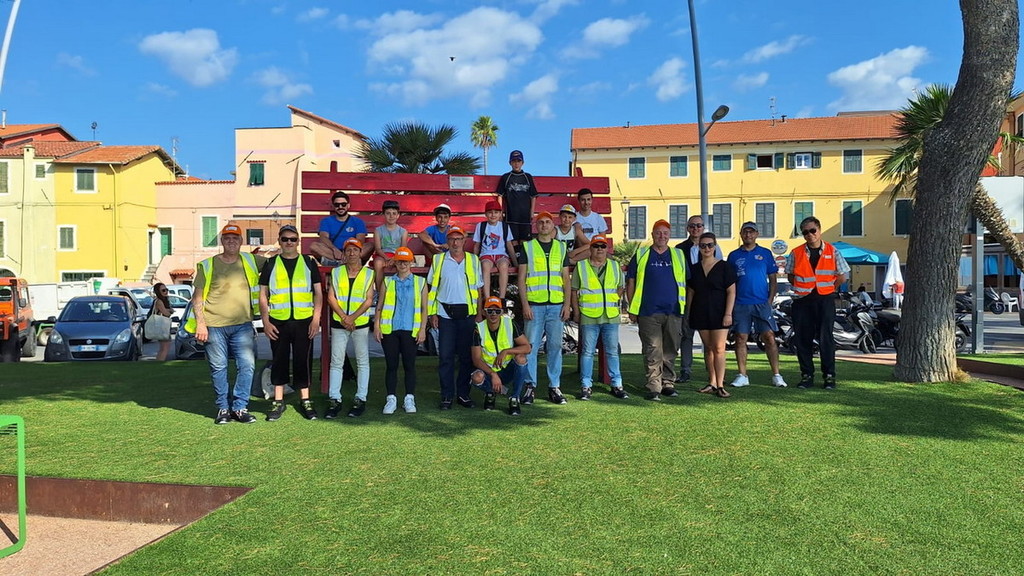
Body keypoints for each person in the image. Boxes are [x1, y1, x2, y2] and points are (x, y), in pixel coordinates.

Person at [189, 223, 266, 424]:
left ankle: (240, 408)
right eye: (227, 238)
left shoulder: (251, 260)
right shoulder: (208, 265)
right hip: (214, 326)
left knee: (247, 365)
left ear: (241, 241)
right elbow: (197, 298)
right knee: (218, 368)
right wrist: (200, 324)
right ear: (222, 241)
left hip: (243, 325)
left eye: (235, 238)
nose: (231, 241)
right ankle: (223, 408)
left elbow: (278, 264)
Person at [258, 225, 323, 421]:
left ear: (298, 241)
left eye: (293, 239)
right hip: (278, 321)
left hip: (304, 321)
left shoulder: (308, 262)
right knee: (279, 360)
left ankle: (306, 400)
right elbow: (263, 294)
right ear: (279, 241)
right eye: (285, 239)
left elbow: (318, 293)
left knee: (303, 360)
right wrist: (265, 321)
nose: (289, 242)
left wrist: (316, 319)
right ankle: (278, 401)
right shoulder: (270, 263)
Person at [626, 219, 687, 401]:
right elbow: (631, 281)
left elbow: (687, 282)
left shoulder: (678, 255)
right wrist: (632, 307)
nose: (662, 236)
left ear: (670, 235)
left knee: (670, 348)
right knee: (652, 349)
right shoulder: (641, 254)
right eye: (658, 232)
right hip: (648, 310)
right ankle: (654, 385)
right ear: (652, 234)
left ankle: (668, 383)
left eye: (665, 233)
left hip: (673, 310)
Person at [786, 216, 850, 390]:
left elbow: (842, 276)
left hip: (825, 300)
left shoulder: (833, 251)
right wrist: (804, 288)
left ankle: (829, 376)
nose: (809, 234)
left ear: (819, 230)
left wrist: (828, 288)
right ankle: (806, 376)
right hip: (802, 301)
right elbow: (790, 275)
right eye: (805, 232)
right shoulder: (796, 252)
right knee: (802, 339)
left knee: (826, 339)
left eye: (812, 230)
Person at [517, 211, 571, 405]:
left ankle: (554, 386)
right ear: (536, 226)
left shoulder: (561, 247)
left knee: (555, 347)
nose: (544, 225)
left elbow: (566, 279)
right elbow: (521, 279)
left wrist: (567, 305)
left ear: (552, 226)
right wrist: (525, 304)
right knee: (530, 347)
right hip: (534, 306)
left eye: (548, 222)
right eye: (541, 222)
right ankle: (530, 386)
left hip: (556, 306)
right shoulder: (528, 247)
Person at [427, 225, 484, 410]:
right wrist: (432, 313)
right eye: (452, 239)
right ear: (447, 241)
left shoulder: (473, 260)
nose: (455, 242)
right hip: (445, 314)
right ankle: (446, 396)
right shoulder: (438, 260)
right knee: (445, 357)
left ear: (464, 241)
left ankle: (463, 394)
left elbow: (479, 289)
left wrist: (479, 314)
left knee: (467, 357)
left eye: (459, 239)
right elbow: (432, 288)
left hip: (468, 315)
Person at [727, 222, 787, 388]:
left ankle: (777, 375)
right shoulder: (733, 256)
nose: (748, 235)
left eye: (751, 232)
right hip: (740, 303)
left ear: (757, 234)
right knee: (740, 338)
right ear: (741, 234)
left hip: (761, 303)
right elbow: (730, 282)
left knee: (769, 337)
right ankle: (742, 375)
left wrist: (769, 300)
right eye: (745, 232)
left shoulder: (765, 253)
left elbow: (773, 279)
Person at [572, 234, 629, 400]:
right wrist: (576, 312)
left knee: (612, 351)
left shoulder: (615, 266)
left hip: (610, 316)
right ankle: (586, 386)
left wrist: (612, 300)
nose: (599, 249)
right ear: (590, 249)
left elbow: (620, 288)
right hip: (589, 316)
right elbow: (574, 291)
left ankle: (617, 384)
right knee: (587, 352)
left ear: (607, 249)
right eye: (596, 246)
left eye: (603, 246)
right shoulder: (581, 266)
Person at [374, 246, 428, 415]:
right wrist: (377, 326)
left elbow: (424, 308)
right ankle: (391, 398)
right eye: (399, 261)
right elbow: (380, 305)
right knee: (391, 365)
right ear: (395, 263)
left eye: (406, 261)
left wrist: (422, 329)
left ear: (411, 262)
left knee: (409, 365)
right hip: (390, 329)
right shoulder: (388, 282)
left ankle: (409, 398)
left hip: (411, 329)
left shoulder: (420, 282)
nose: (403, 265)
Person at [325, 238, 376, 417]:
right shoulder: (336, 272)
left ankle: (361, 398)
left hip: (359, 323)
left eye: (355, 250)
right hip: (339, 323)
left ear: (361, 253)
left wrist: (351, 318)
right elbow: (331, 297)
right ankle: (334, 398)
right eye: (348, 250)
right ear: (344, 253)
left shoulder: (369, 274)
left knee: (362, 362)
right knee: (336, 361)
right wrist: (344, 318)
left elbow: (368, 300)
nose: (352, 253)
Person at [688, 232, 737, 398]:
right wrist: (688, 312)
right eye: (703, 246)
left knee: (719, 348)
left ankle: (721, 385)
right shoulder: (694, 269)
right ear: (699, 248)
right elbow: (691, 293)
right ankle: (712, 382)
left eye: (709, 245)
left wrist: (728, 313)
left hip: (720, 312)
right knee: (708, 348)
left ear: (715, 246)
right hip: (700, 312)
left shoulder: (724, 267)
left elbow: (731, 292)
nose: (706, 248)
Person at [674, 215, 721, 383]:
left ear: (703, 227)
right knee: (686, 335)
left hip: (708, 298)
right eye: (692, 226)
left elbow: (719, 270)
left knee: (709, 339)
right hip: (687, 296)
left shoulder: (712, 247)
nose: (696, 228)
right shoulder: (679, 249)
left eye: (699, 225)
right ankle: (685, 370)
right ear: (687, 228)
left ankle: (713, 372)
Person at [470, 296, 532, 416]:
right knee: (476, 377)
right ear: (483, 312)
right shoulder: (478, 329)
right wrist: (493, 374)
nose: (493, 314)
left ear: (502, 312)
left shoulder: (510, 324)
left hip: (507, 369)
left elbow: (527, 347)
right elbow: (476, 360)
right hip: (489, 371)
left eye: (497, 311)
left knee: (521, 358)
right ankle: (490, 393)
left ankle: (514, 398)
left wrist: (506, 351)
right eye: (489, 311)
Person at [495, 149, 538, 259]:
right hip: (511, 216)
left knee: (524, 241)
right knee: (513, 240)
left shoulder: (527, 177)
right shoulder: (506, 177)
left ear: (522, 162)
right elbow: (500, 195)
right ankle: (515, 261)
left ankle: (523, 260)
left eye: (518, 161)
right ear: (510, 163)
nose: (516, 164)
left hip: (525, 216)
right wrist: (500, 212)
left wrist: (532, 212)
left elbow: (533, 196)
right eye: (514, 161)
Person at [310, 191, 370, 265]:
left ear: (348, 205)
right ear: (333, 206)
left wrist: (348, 252)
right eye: (337, 205)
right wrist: (334, 249)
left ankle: (342, 261)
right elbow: (323, 237)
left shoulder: (358, 221)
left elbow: (360, 240)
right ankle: (346, 262)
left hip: (351, 251)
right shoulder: (326, 221)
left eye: (343, 204)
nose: (340, 207)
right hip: (333, 252)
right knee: (313, 246)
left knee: (370, 246)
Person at [473, 200, 516, 300]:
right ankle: (487, 298)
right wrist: (474, 262)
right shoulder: (481, 226)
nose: (493, 215)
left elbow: (509, 245)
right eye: (490, 212)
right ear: (485, 214)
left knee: (504, 265)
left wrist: (515, 263)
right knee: (485, 266)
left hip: (501, 254)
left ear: (500, 214)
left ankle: (502, 298)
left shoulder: (504, 226)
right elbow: (477, 245)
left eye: (496, 212)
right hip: (486, 254)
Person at [373, 199, 409, 296]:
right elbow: (378, 248)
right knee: (378, 263)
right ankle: (379, 292)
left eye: (394, 213)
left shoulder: (403, 231)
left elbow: (402, 249)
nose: (391, 216)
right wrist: (386, 258)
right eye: (388, 213)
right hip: (383, 255)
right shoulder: (378, 230)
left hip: (398, 256)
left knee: (402, 265)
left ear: (398, 215)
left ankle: (399, 291)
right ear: (384, 215)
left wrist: (394, 258)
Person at [150, 282, 174, 361]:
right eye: (163, 290)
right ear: (158, 292)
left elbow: (169, 311)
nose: (166, 292)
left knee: (164, 347)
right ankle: (160, 362)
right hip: (161, 326)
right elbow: (167, 313)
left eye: (166, 290)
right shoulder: (159, 301)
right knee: (165, 347)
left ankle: (159, 362)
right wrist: (169, 310)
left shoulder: (164, 300)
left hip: (163, 326)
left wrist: (169, 310)